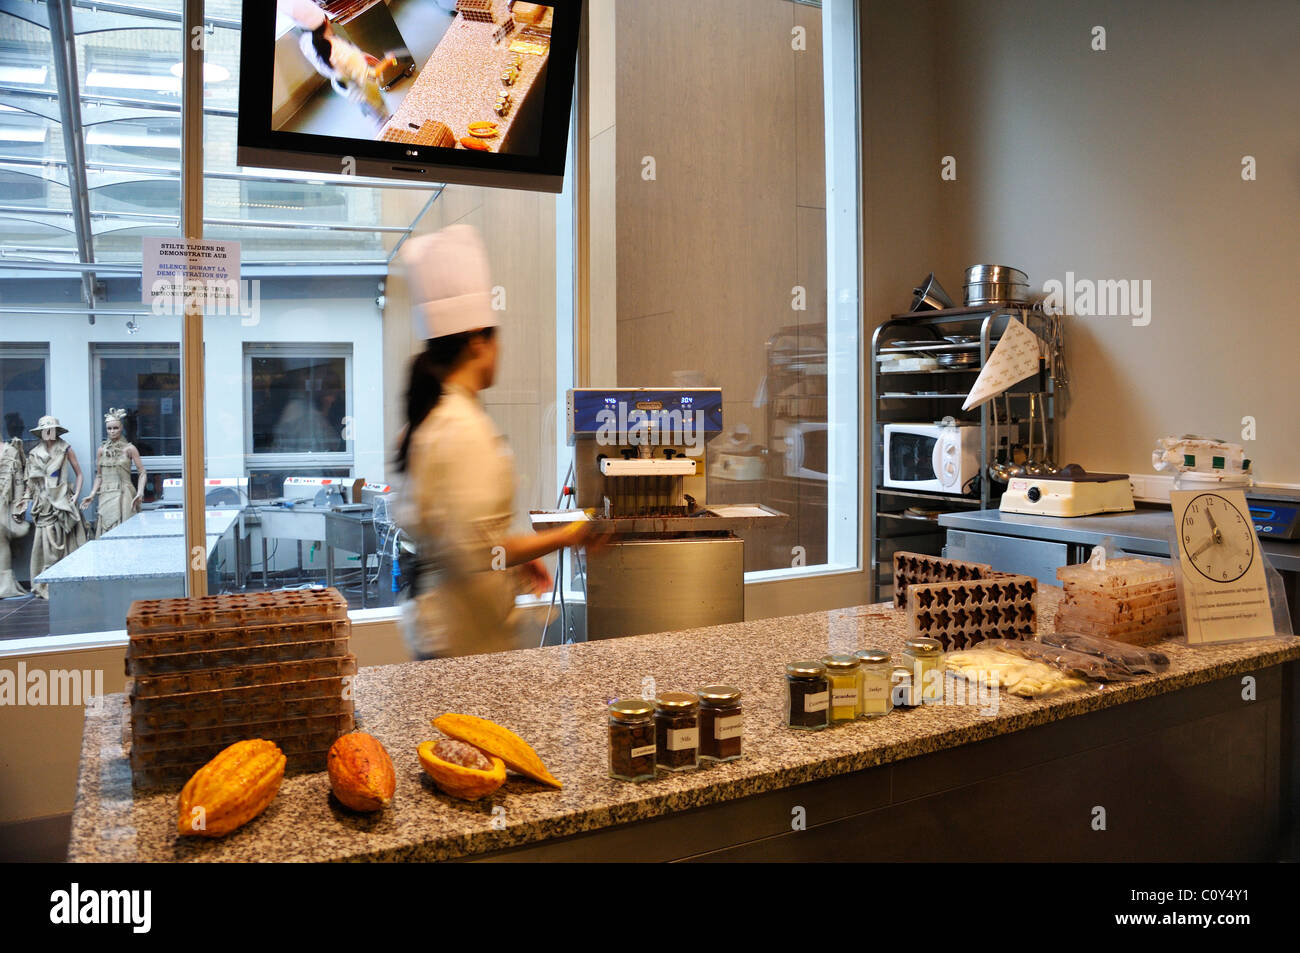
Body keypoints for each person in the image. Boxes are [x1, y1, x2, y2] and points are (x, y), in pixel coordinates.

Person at [396, 225, 600, 659]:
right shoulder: (461, 427)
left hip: (450, 631)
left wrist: (517, 559)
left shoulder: (440, 415)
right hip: (463, 643)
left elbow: (466, 540)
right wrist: (568, 536)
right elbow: (483, 550)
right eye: (497, 335)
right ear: (476, 341)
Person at [287, 0, 395, 130]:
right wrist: (388, 61)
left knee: (370, 113)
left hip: (345, 88)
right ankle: (387, 128)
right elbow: (371, 76)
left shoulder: (306, 42)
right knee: (379, 116)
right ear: (326, 22)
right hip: (362, 89)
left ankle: (383, 122)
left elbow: (339, 63)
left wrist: (360, 58)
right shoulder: (343, 53)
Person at [24, 416, 87, 599]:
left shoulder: (65, 449)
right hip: (43, 503)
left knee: (66, 541)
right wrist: (26, 498)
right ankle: (45, 581)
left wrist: (75, 495)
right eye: (45, 429)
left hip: (62, 501)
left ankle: (67, 580)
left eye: (51, 428)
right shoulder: (34, 453)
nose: (48, 432)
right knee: (44, 542)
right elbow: (30, 480)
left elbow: (79, 474)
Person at [81, 408, 146, 538]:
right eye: (109, 428)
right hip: (106, 493)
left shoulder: (130, 448)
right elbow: (99, 476)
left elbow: (142, 472)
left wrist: (140, 492)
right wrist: (92, 494)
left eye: (115, 428)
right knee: (106, 527)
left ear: (121, 428)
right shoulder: (101, 450)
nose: (112, 431)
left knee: (126, 529)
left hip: (125, 493)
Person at [0, 436, 29, 598]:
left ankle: (5, 586)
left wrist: (19, 505)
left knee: (1, 540)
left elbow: (19, 481)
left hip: (4, 502)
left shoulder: (10, 450)